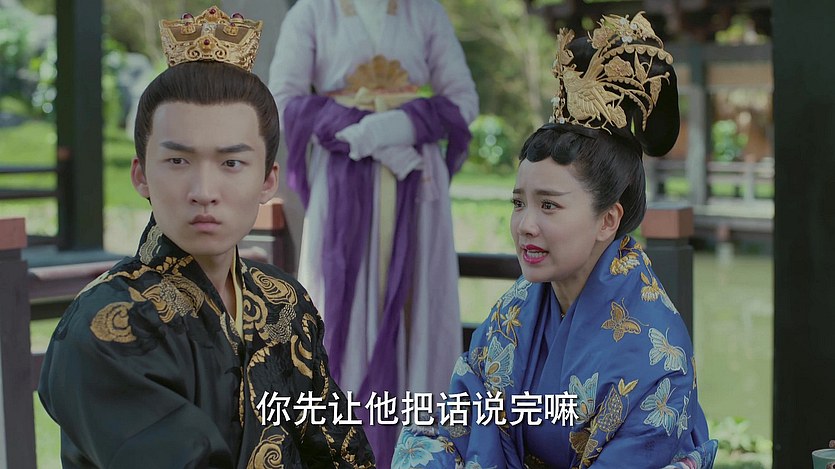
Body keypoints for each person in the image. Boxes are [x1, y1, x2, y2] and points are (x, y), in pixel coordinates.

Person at [38, 7, 374, 468]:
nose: (204, 191)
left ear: (268, 180)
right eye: (178, 161)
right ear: (141, 175)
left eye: (232, 163)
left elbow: (341, 452)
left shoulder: (284, 302)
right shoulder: (107, 326)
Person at [393, 12, 717, 468]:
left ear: (608, 220)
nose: (525, 224)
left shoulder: (655, 353)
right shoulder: (515, 311)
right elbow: (456, 424)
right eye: (519, 203)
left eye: (549, 205)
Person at [268, 0, 478, 463]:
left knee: (419, 302)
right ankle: (342, 441)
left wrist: (398, 125)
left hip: (415, 180)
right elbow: (281, 100)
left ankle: (425, 447)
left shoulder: (425, 12)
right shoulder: (312, 13)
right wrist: (355, 127)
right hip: (344, 172)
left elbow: (463, 99)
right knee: (336, 301)